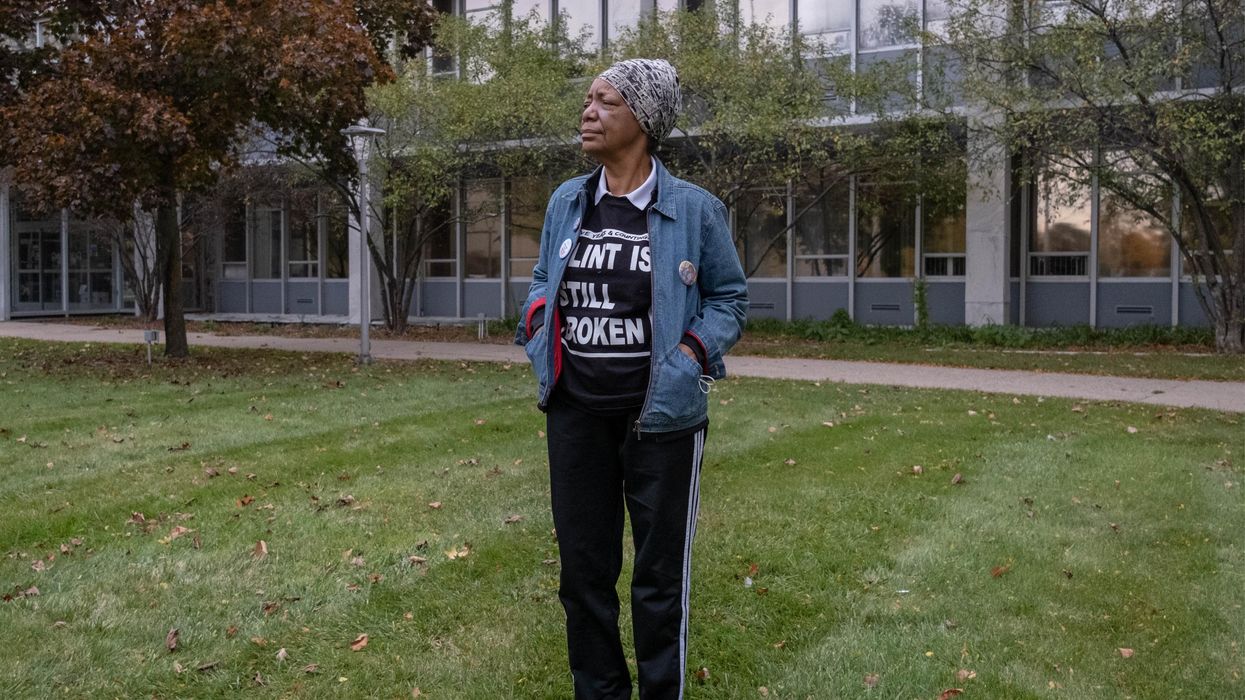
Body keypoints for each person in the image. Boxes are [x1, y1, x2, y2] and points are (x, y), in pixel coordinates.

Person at [514, 58, 748, 699]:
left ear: (643, 118)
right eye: (588, 100)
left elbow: (729, 298)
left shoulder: (694, 210)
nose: (588, 113)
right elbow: (543, 280)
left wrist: (692, 356)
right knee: (583, 573)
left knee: (658, 576)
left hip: (663, 421)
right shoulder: (569, 200)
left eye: (605, 101)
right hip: (576, 412)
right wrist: (539, 328)